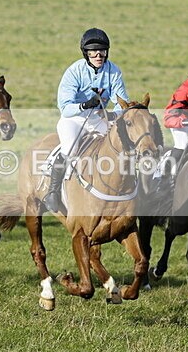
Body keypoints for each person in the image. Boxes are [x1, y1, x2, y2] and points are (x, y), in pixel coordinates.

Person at [42, 28, 130, 213]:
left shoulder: (114, 71)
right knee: (70, 149)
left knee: (116, 146)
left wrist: (114, 115)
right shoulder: (74, 71)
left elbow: (122, 101)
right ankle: (52, 191)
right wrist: (84, 105)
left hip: (98, 117)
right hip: (73, 118)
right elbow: (65, 108)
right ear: (86, 53)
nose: (98, 54)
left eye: (102, 51)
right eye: (93, 51)